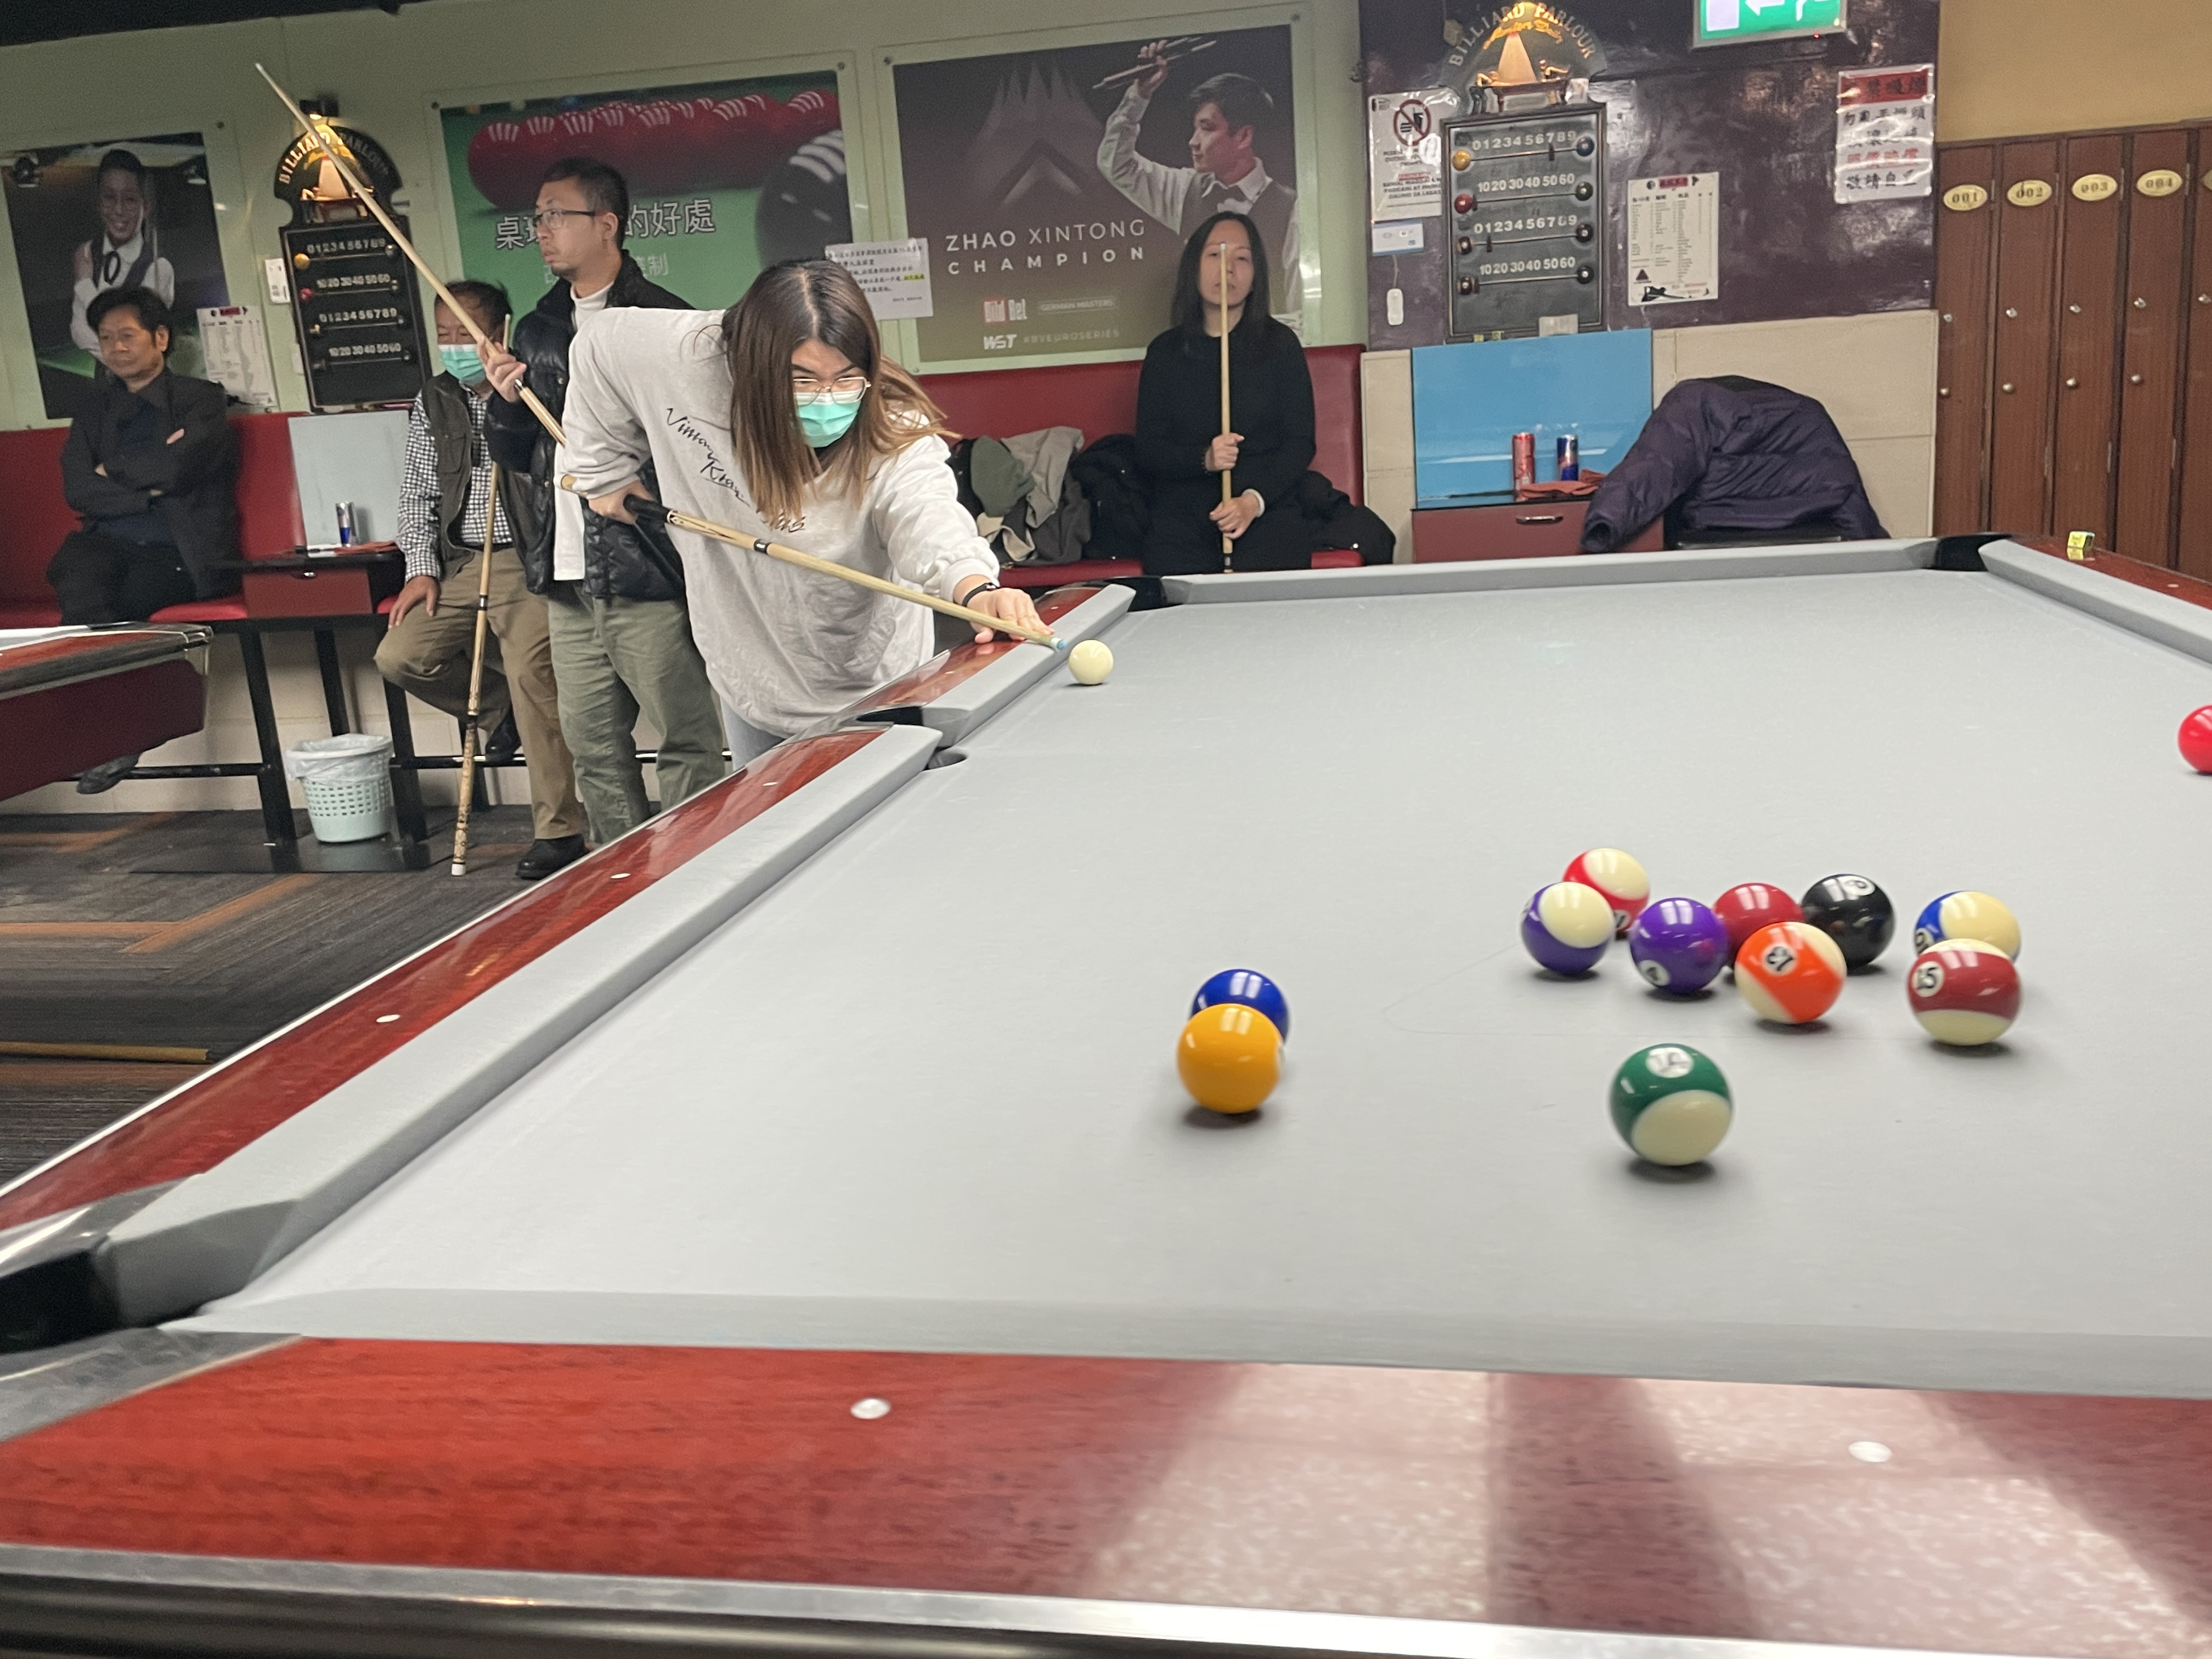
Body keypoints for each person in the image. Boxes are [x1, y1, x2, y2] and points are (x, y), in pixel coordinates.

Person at [562, 259, 1044, 760]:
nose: (826, 400)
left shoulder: (891, 429)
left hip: (880, 685)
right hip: (749, 680)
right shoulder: (684, 357)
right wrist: (604, 470)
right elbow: (598, 341)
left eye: (846, 379)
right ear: (751, 368)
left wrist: (976, 587)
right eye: (803, 380)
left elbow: (926, 513)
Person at [480, 157, 726, 849]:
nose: (541, 230)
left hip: (644, 562)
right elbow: (515, 456)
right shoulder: (537, 329)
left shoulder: (666, 320)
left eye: (557, 215)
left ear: (607, 224)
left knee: (683, 735)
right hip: (564, 571)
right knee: (592, 746)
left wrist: (639, 486)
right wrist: (504, 404)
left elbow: (698, 444)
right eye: (537, 218)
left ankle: (698, 867)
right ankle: (624, 877)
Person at [375, 279, 586, 881]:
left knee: (532, 677)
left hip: (523, 559)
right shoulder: (434, 397)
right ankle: (502, 713)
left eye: (462, 333)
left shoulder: (535, 384)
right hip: (461, 562)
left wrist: (511, 403)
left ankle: (559, 831)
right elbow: (416, 493)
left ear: (497, 333)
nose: (451, 345)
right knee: (401, 657)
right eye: (441, 333)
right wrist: (421, 569)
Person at [48, 284, 239, 793]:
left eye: (127, 335)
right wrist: (147, 494)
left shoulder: (201, 400)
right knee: (79, 589)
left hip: (179, 550)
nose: (116, 347)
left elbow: (181, 468)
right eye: (106, 338)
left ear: (160, 338)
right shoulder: (93, 411)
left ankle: (115, 734)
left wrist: (113, 471)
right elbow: (77, 488)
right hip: (106, 543)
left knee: (123, 607)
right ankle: (120, 730)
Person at [1135, 212, 1321, 576]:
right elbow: (1150, 450)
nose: (1229, 268)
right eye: (1215, 255)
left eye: (1242, 258)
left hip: (1268, 512)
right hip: (1183, 521)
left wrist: (1253, 503)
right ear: (1194, 266)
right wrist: (1204, 459)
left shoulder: (1280, 345)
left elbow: (1300, 443)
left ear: (1256, 274)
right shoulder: (1165, 352)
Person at [1098, 47, 1300, 321]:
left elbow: (1299, 313)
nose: (1193, 142)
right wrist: (1140, 95)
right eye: (1196, 128)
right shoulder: (1184, 190)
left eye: (1206, 128)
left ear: (1243, 137)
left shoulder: (1292, 210)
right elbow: (1116, 165)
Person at [70, 150, 177, 354]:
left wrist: (84, 286)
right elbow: (79, 332)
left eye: (129, 199)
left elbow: (140, 347)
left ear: (145, 207)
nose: (119, 210)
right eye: (109, 198)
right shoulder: (87, 253)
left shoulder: (159, 268)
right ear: (100, 204)